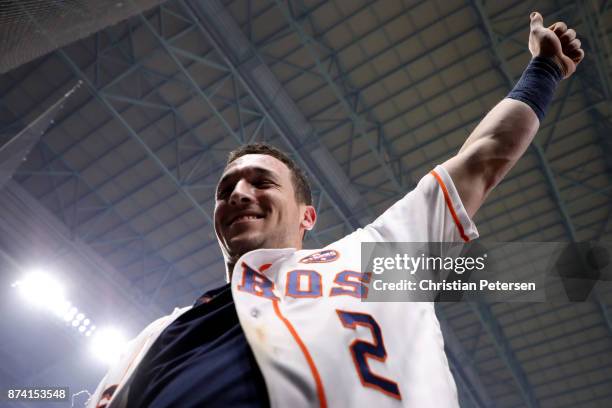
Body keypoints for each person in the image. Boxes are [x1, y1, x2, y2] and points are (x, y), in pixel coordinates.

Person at [87, 12, 583, 408]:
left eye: (262, 182)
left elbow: (483, 158)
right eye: (226, 189)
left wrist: (544, 70)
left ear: (308, 216)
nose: (238, 193)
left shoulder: (375, 258)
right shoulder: (155, 334)